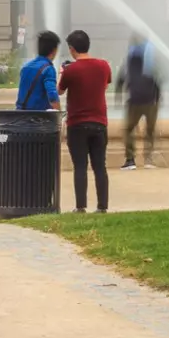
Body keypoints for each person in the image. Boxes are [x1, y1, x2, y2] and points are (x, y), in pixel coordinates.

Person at [58, 29, 113, 213]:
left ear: (72, 49)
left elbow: (59, 91)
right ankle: (102, 207)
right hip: (99, 122)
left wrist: (62, 72)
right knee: (100, 166)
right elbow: (104, 86)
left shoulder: (70, 70)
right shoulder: (104, 66)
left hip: (77, 124)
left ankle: (80, 206)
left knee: (80, 166)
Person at [116, 35, 162, 170]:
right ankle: (148, 159)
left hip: (135, 100)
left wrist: (118, 97)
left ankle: (130, 159)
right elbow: (157, 79)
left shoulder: (130, 59)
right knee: (150, 130)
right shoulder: (150, 59)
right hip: (150, 100)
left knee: (129, 129)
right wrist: (158, 99)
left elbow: (121, 78)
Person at [16, 30, 61, 110]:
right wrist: (59, 116)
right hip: (38, 117)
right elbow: (52, 95)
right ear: (54, 50)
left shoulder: (26, 67)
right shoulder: (48, 69)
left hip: (20, 114)